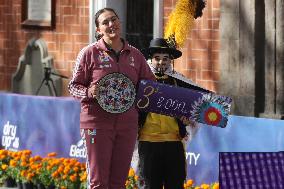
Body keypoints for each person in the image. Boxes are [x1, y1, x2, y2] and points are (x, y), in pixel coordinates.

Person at [68, 8, 155, 189]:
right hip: (96, 124)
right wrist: (89, 92)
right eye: (105, 22)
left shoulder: (136, 55)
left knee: (118, 182)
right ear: (98, 30)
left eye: (113, 19)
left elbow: (150, 88)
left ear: (119, 22)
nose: (111, 24)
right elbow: (73, 87)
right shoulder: (88, 53)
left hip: (127, 125)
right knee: (99, 181)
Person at [138, 38, 198, 189]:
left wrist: (187, 120)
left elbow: (192, 112)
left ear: (170, 61)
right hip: (149, 143)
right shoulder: (141, 82)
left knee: (175, 185)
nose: (161, 62)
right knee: (151, 185)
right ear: (150, 59)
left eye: (165, 59)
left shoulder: (180, 83)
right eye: (157, 58)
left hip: (174, 144)